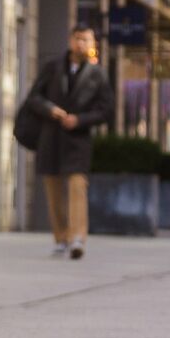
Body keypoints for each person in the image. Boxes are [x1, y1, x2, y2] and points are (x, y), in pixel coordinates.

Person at [27, 23, 115, 259]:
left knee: (77, 187)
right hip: (51, 136)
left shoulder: (98, 74)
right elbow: (34, 96)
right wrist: (50, 109)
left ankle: (77, 238)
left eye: (87, 40)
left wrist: (80, 120)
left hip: (78, 140)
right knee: (53, 188)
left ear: (93, 44)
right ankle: (60, 237)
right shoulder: (53, 67)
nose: (82, 44)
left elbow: (107, 111)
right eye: (78, 39)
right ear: (70, 40)